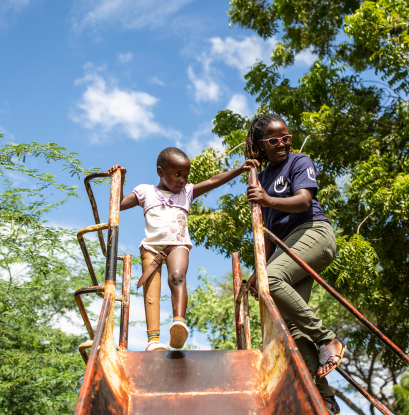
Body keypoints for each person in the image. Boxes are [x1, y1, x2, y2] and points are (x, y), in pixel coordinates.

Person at [109, 148, 258, 352]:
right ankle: (153, 340)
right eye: (177, 175)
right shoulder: (145, 191)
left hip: (177, 244)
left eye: (186, 175)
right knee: (151, 291)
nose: (182, 180)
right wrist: (120, 180)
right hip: (151, 247)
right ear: (161, 172)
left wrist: (240, 169)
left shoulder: (187, 192)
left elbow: (214, 181)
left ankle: (178, 323)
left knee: (177, 277)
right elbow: (116, 205)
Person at [244, 114, 345, 414]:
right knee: (290, 325)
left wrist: (268, 200)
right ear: (261, 145)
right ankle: (323, 397)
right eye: (273, 140)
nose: (282, 144)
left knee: (272, 282)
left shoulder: (300, 161)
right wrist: (256, 269)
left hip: (314, 233)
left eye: (286, 138)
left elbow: (302, 200)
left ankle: (328, 339)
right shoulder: (261, 178)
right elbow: (271, 235)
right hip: (288, 245)